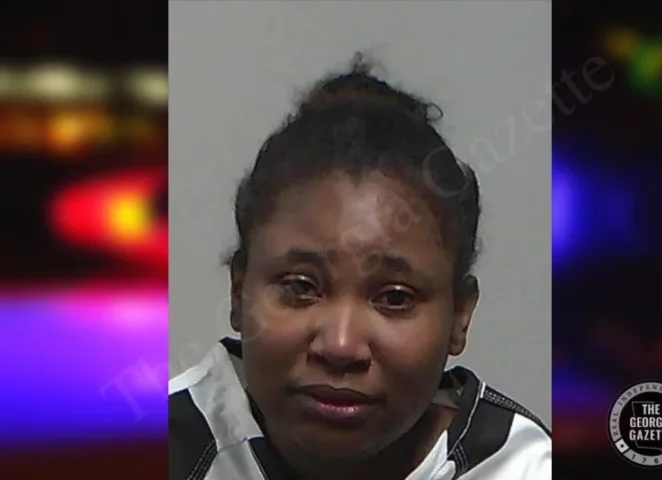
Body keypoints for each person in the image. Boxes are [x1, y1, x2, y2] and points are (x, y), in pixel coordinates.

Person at [169, 55, 551, 480]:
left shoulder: (523, 469)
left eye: (395, 298)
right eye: (300, 287)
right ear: (239, 291)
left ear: (460, 316)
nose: (340, 346)